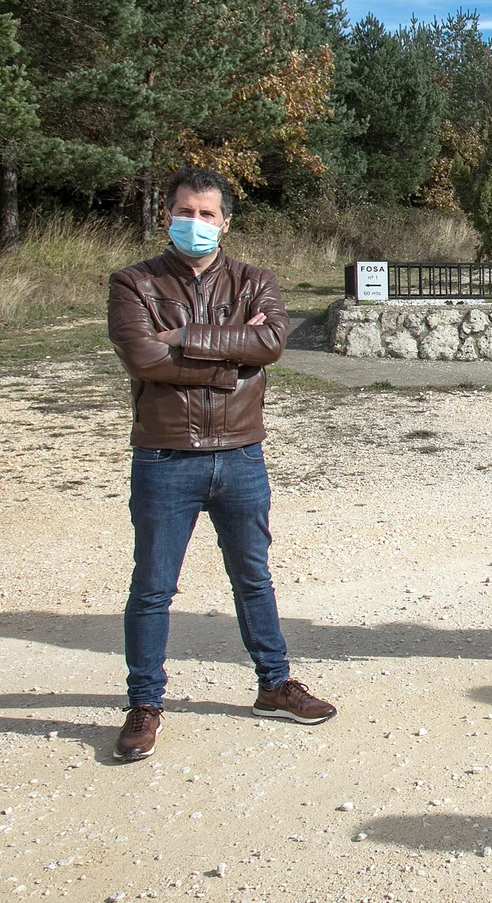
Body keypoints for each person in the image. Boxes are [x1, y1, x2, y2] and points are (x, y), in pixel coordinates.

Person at [107, 168, 337, 762]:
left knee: (253, 577)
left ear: (226, 223)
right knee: (154, 587)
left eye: (208, 214)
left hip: (241, 454)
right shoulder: (133, 283)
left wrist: (184, 335)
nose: (197, 223)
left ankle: (274, 682)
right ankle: (144, 703)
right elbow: (144, 358)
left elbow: (272, 345)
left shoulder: (256, 280)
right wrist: (231, 355)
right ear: (168, 215)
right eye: (186, 211)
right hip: (165, 455)